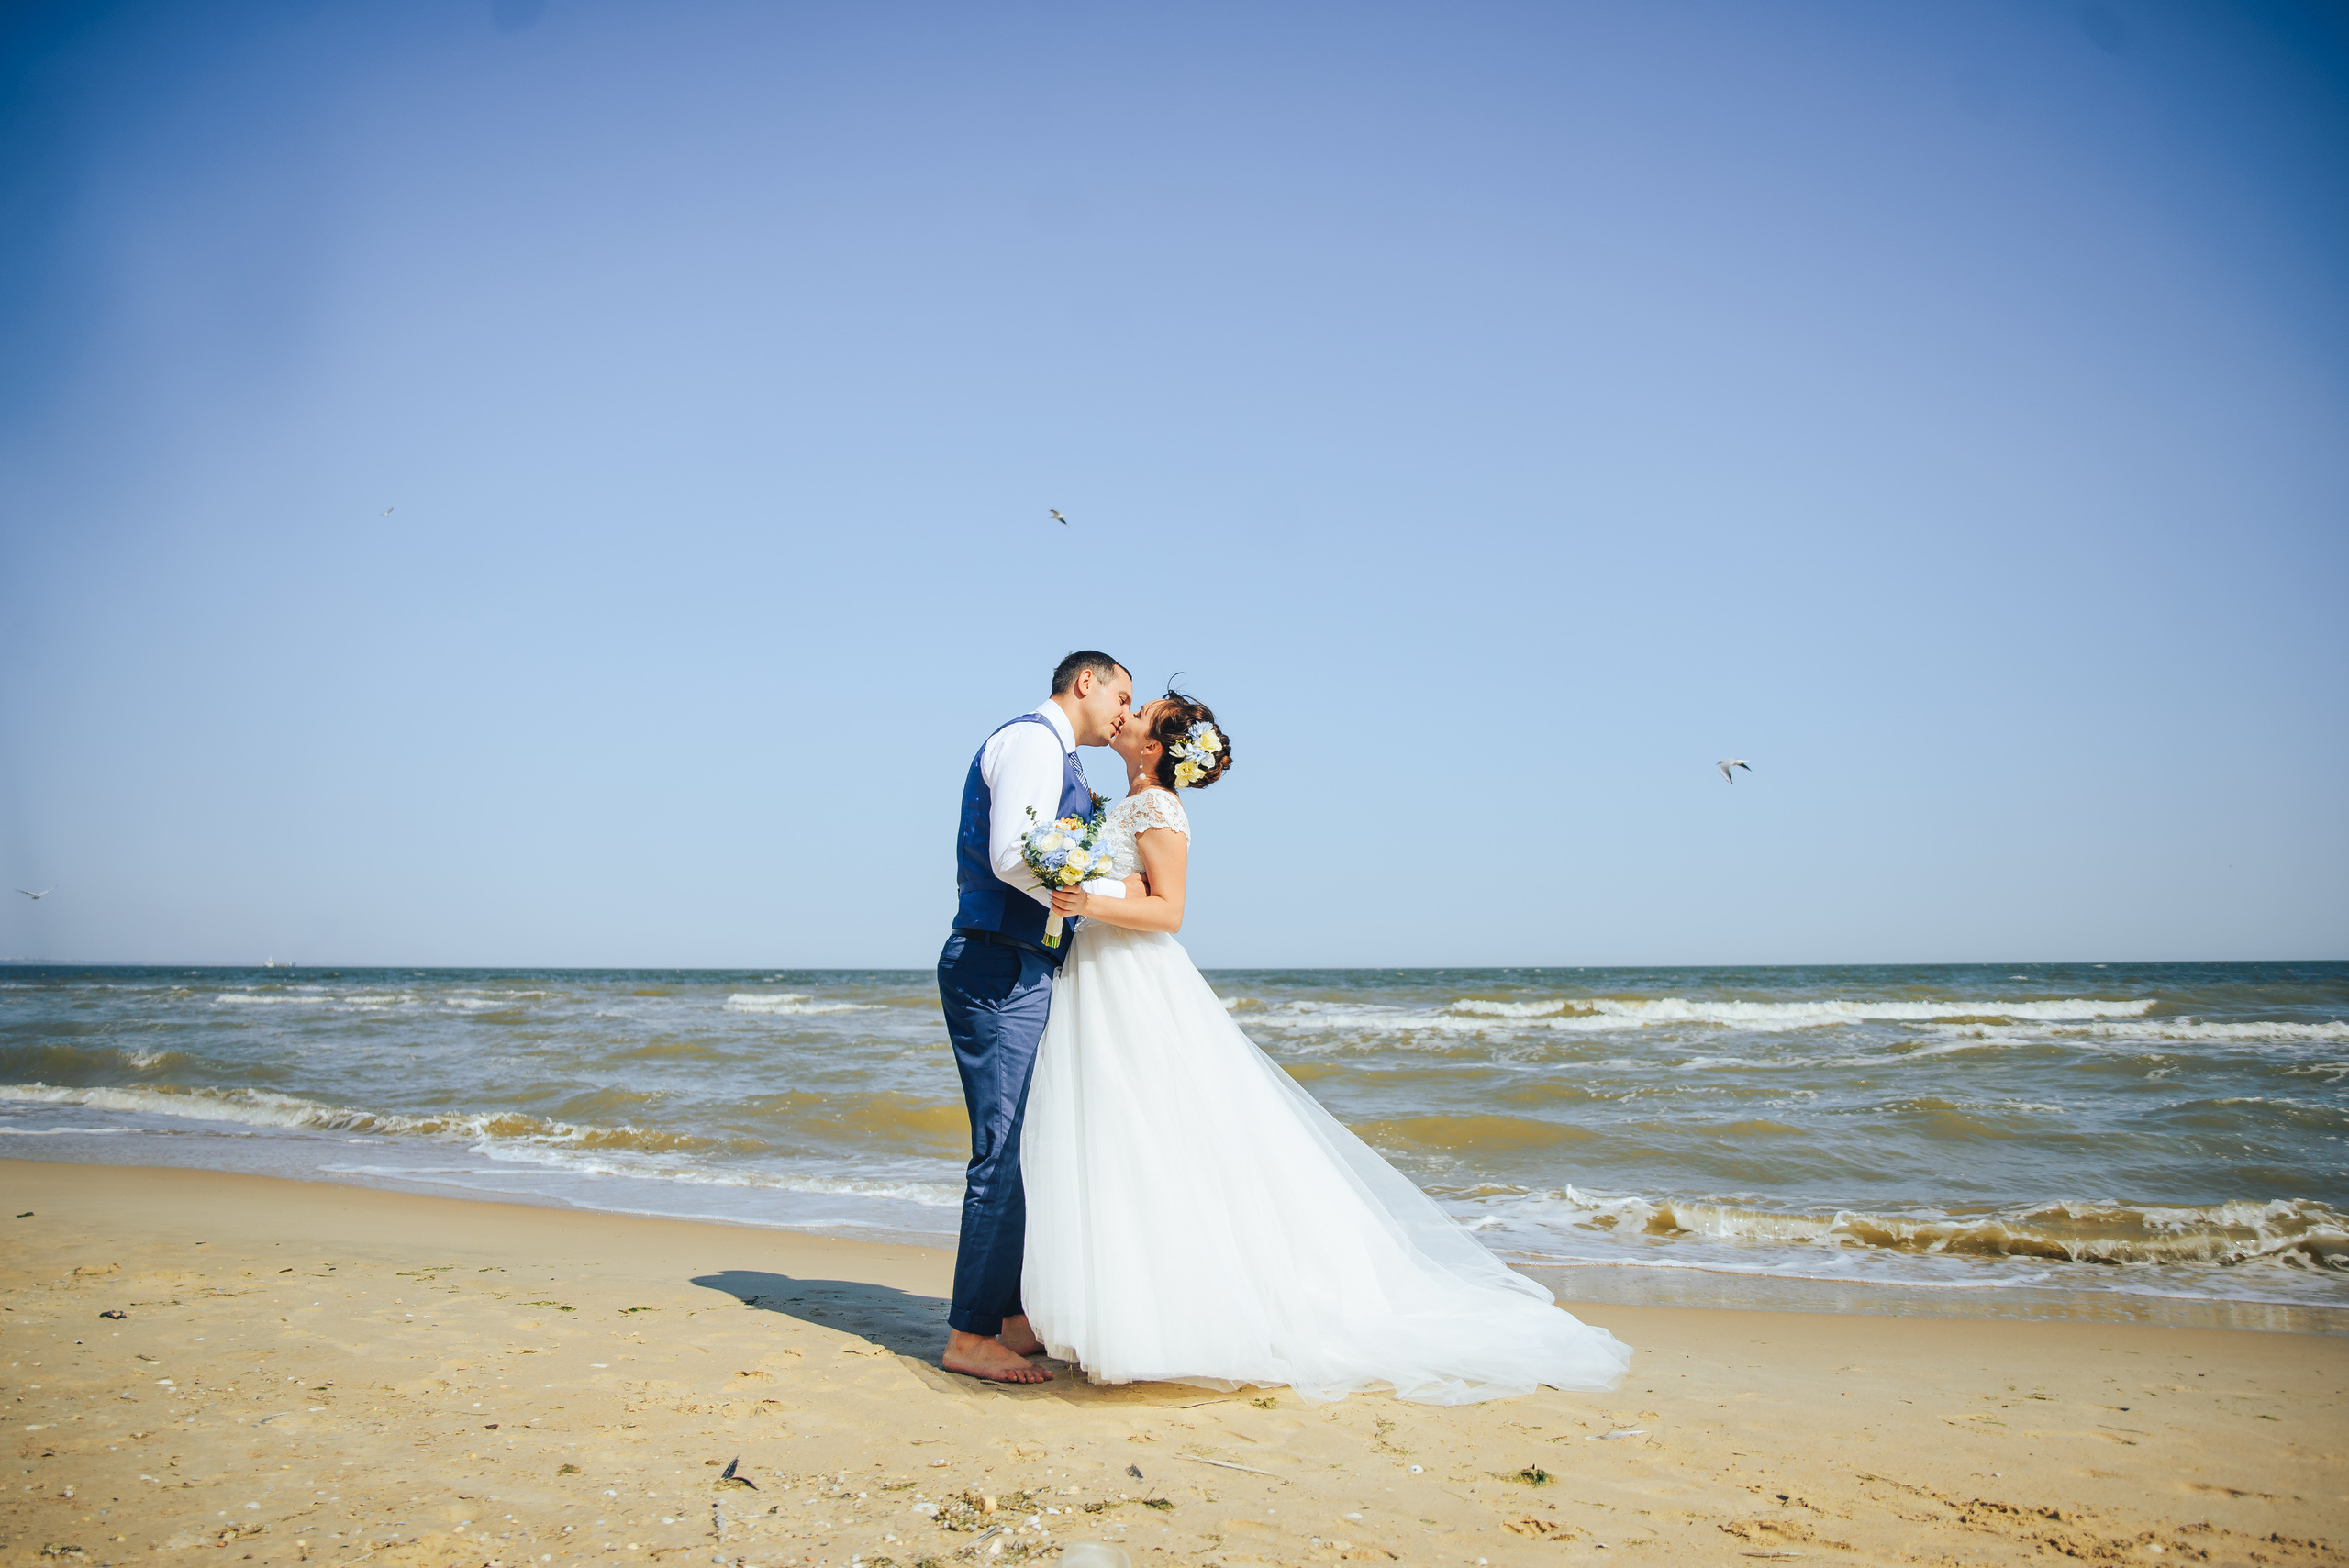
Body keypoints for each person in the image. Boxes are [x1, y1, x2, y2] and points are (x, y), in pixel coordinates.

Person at [1020, 691, 1633, 1403]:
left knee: (1154, 1135)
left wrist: (1088, 900)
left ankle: (1171, 1322)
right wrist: (1093, 882)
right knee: (1119, 1139)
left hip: (1132, 978)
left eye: (1142, 709)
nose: (1126, 715)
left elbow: (1170, 911)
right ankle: (1121, 1317)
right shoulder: (1121, 804)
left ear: (1156, 747)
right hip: (1098, 977)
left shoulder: (1160, 808)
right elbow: (1132, 883)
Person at [936, 650, 1137, 1385]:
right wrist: (1104, 885)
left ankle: (1014, 1318)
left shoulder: (1065, 760)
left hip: (1023, 963)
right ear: (1086, 682)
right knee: (1002, 1148)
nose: (1125, 711)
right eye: (1122, 694)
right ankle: (969, 1332)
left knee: (1021, 1144)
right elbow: (1013, 856)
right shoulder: (1030, 742)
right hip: (995, 961)